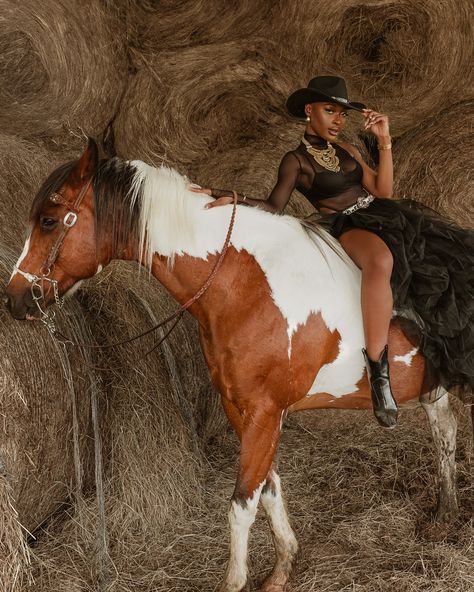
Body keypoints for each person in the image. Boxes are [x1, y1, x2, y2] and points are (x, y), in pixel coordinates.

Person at [190, 75, 474, 428]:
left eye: (342, 113)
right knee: (380, 261)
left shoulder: (349, 151)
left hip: (388, 216)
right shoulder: (295, 160)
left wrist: (384, 141)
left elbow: (383, 191)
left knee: (455, 263)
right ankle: (378, 370)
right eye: (330, 111)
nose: (338, 120)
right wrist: (228, 195)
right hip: (347, 224)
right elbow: (273, 207)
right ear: (309, 111)